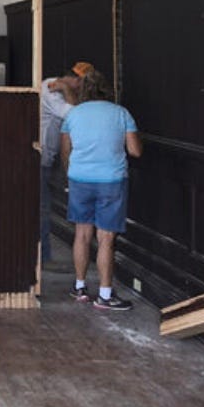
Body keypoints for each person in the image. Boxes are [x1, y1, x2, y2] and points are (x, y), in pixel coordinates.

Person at [60, 69, 142, 310]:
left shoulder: (73, 115)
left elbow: (66, 150)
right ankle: (105, 295)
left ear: (82, 91)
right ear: (106, 89)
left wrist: (70, 173)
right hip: (111, 181)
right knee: (105, 239)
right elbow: (135, 151)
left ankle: (79, 287)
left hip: (79, 179)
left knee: (81, 234)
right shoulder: (121, 113)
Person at [39, 61, 94, 263]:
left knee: (44, 207)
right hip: (39, 157)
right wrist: (66, 90)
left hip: (48, 157)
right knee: (42, 209)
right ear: (77, 80)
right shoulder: (50, 90)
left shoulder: (60, 89)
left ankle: (42, 257)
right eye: (81, 85)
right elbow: (74, 115)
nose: (81, 91)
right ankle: (42, 259)